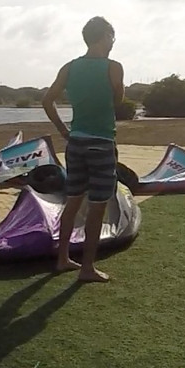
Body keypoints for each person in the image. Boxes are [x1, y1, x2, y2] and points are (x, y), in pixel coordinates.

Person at [41, 16, 123, 283]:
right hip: (101, 144)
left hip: (75, 143)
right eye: (112, 37)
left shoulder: (69, 67)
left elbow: (47, 100)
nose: (113, 42)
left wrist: (64, 131)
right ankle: (87, 268)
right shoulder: (114, 67)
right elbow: (118, 101)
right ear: (105, 37)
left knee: (73, 201)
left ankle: (63, 258)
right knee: (97, 207)